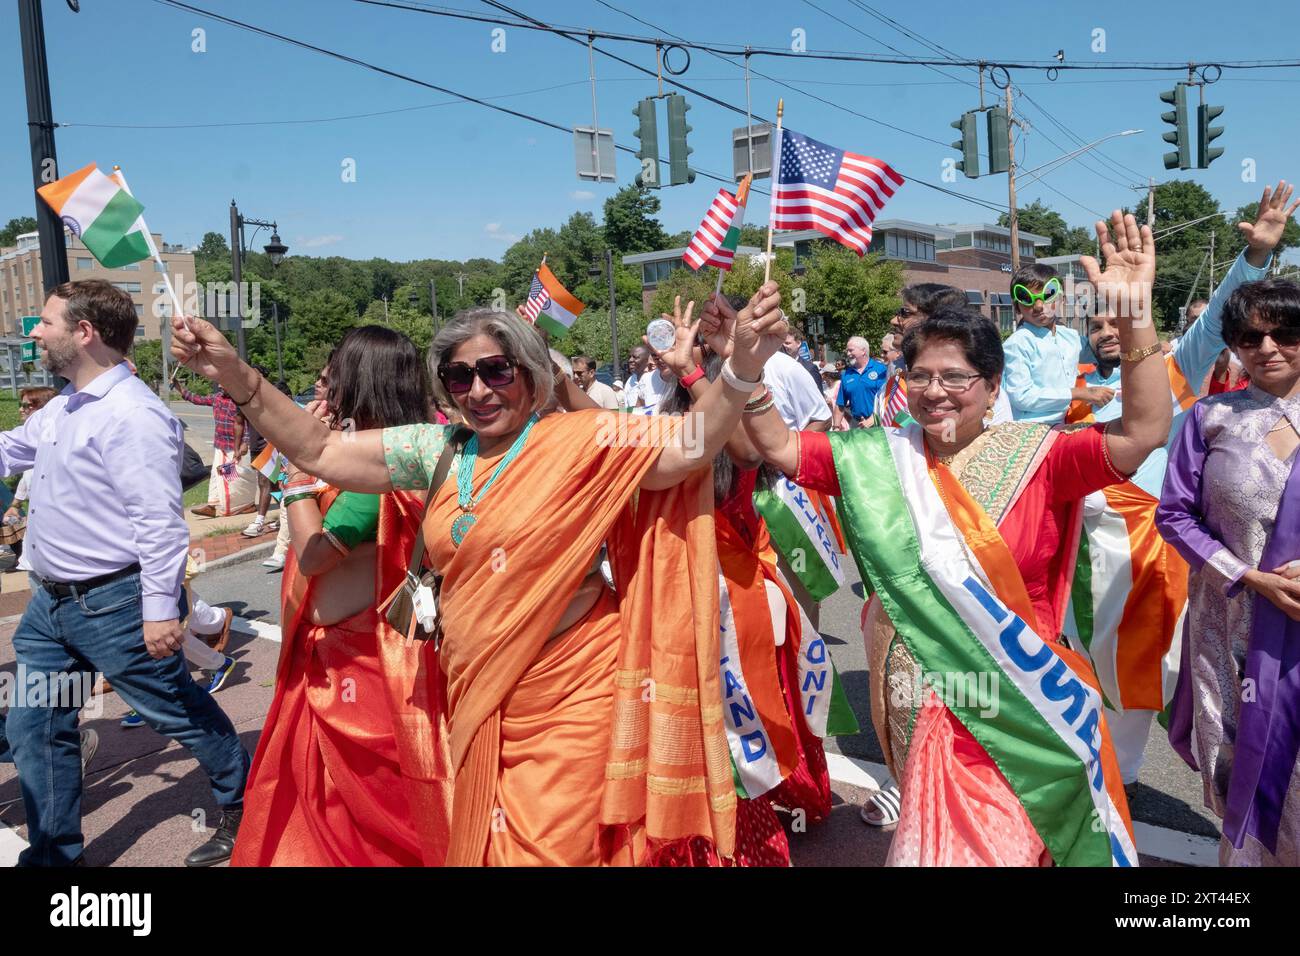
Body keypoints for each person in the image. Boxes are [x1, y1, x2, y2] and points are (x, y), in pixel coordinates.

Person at [171, 286, 788, 866]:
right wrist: (234, 374)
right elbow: (320, 451)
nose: (480, 391)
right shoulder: (439, 448)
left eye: (497, 371)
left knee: (543, 848)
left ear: (531, 373)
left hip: (574, 688)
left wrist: (741, 369)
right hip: (473, 693)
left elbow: (689, 447)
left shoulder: (582, 438)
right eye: (460, 377)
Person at [742, 212, 1170, 866]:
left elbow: (1142, 431)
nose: (936, 393)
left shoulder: (1041, 456)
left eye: (956, 378)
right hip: (917, 705)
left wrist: (1136, 317)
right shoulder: (876, 458)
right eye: (921, 377)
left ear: (992, 386)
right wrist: (741, 370)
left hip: (1022, 709)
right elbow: (774, 443)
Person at [0, 279, 248, 867]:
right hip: (50, 611)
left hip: (112, 606)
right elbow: (8, 450)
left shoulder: (134, 416)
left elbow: (160, 526)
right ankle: (57, 860)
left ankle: (244, 803)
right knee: (35, 729)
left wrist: (160, 609)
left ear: (84, 333)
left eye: (46, 322)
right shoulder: (63, 406)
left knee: (178, 712)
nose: (34, 331)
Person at [1060, 186, 1293, 783]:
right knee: (1079, 664)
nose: (1111, 330)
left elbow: (1220, 322)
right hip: (1074, 547)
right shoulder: (1067, 385)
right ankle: (1087, 768)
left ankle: (1127, 776)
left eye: (1123, 317)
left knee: (1148, 667)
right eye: (1101, 322)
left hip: (1148, 548)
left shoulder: (1173, 368)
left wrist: (1257, 258)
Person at [231, 325, 451, 866]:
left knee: (370, 815)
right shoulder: (385, 452)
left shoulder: (374, 474)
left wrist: (296, 479)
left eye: (331, 381)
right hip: (341, 662)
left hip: (358, 676)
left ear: (360, 383)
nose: (320, 392)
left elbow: (312, 556)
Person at [1157, 276, 1300, 867]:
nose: (1267, 347)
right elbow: (1173, 516)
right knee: (1241, 765)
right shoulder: (1209, 418)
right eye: (1249, 336)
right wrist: (1247, 576)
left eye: (1286, 332)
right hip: (1230, 623)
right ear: (1234, 347)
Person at [1002, 263, 1104, 424]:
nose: (1038, 306)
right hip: (1030, 427)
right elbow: (1021, 396)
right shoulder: (1018, 343)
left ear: (1061, 299)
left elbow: (1103, 352)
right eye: (1027, 299)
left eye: (1048, 295)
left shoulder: (1070, 337)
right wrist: (1079, 393)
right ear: (1017, 306)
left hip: (1066, 421)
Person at [875, 284, 971, 429]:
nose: (894, 321)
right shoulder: (896, 367)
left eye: (905, 313)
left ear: (936, 319)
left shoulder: (972, 373)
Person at [174, 375, 257, 519]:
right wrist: (179, 388)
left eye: (222, 384)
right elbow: (197, 399)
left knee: (235, 478)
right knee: (216, 475)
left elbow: (247, 424)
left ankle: (246, 504)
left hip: (235, 448)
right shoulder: (217, 398)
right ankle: (212, 506)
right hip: (221, 446)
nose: (219, 386)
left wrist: (245, 443)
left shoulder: (240, 401)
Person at [834, 337, 888, 429]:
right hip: (856, 425)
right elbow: (840, 404)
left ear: (863, 351)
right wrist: (836, 427)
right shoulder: (846, 374)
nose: (848, 354)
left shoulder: (881, 370)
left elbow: (888, 399)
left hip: (878, 424)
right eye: (847, 351)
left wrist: (873, 419)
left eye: (851, 350)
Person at [782, 327, 825, 394]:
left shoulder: (810, 368)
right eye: (782, 343)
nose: (784, 346)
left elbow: (818, 395)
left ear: (798, 343)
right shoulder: (777, 366)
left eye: (787, 343)